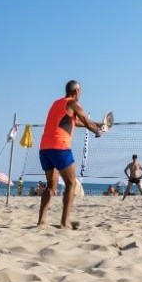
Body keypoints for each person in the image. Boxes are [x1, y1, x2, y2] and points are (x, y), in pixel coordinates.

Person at [36, 80, 103, 229]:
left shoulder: (56, 103)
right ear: (76, 91)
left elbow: (75, 121)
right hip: (60, 148)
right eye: (80, 90)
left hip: (44, 149)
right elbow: (85, 120)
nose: (81, 93)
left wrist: (96, 124)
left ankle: (41, 221)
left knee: (51, 187)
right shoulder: (73, 103)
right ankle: (64, 222)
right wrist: (97, 131)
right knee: (71, 183)